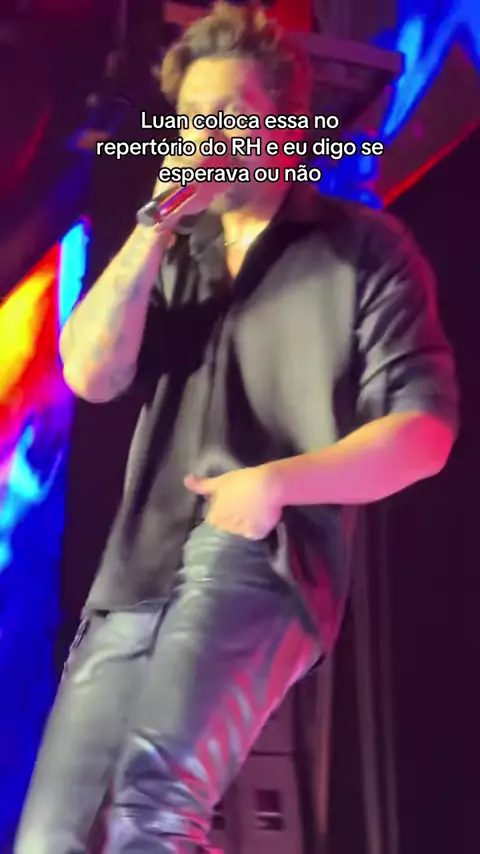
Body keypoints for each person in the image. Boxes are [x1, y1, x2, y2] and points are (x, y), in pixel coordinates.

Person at [14, 2, 459, 852]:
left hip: (265, 551)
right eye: (191, 119)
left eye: (228, 116)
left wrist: (276, 484)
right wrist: (151, 229)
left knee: (153, 809)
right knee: (49, 841)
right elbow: (90, 375)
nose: (205, 139)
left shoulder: (363, 247)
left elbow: (423, 434)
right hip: (133, 576)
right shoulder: (171, 257)